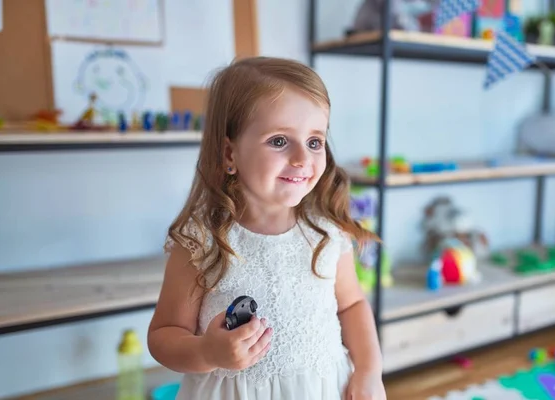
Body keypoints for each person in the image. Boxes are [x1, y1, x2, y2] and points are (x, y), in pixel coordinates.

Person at [147, 56, 386, 400]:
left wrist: (368, 371)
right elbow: (163, 336)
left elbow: (352, 306)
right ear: (229, 154)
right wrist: (207, 353)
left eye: (315, 141)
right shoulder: (201, 242)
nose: (303, 158)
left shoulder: (327, 233)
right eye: (279, 141)